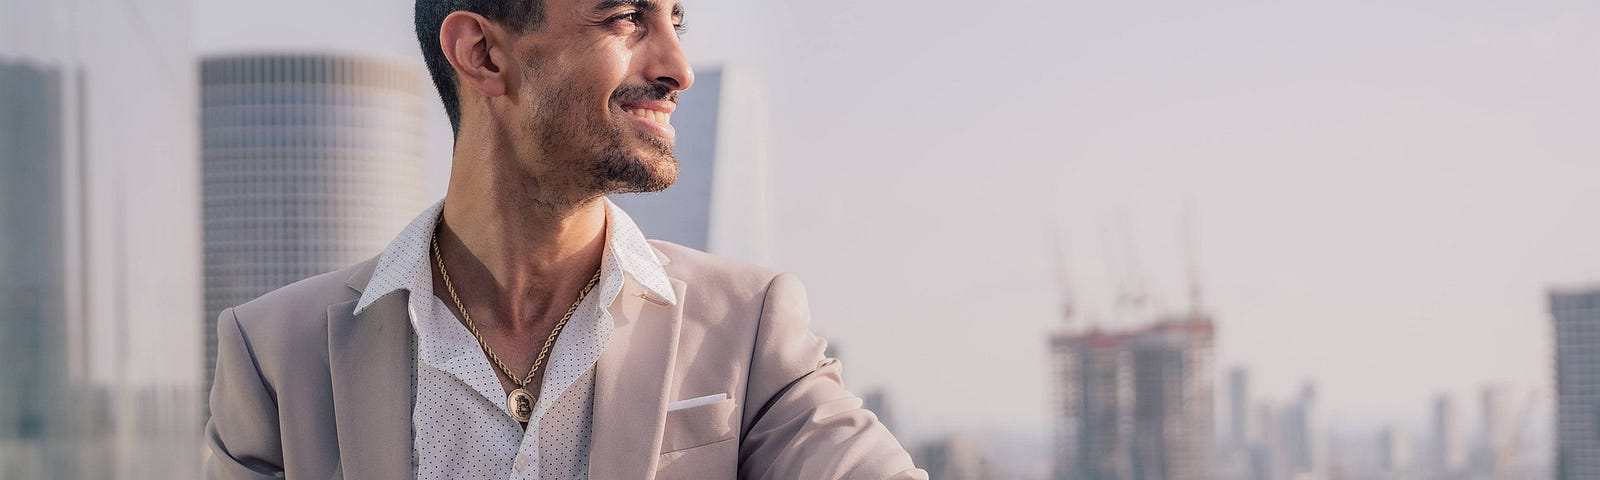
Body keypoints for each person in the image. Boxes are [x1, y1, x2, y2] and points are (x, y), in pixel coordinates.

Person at [202, 0, 926, 478]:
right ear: (482, 54)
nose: (678, 66)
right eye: (626, 18)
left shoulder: (749, 326)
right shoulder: (274, 356)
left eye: (678, 20)